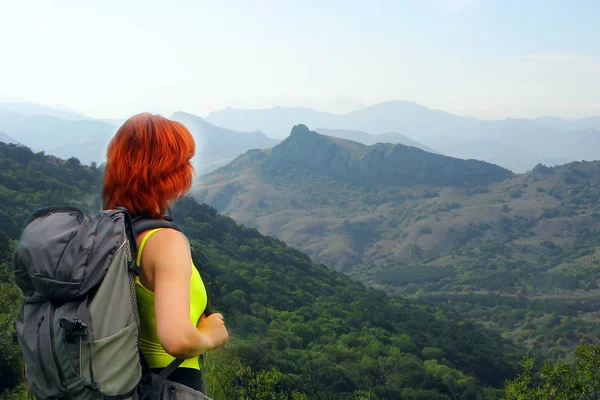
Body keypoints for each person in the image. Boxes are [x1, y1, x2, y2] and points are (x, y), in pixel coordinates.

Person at [101, 113, 229, 393]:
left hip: (121, 384)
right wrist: (210, 336)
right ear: (167, 172)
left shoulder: (110, 234)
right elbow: (178, 341)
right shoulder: (165, 242)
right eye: (184, 162)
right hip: (168, 386)